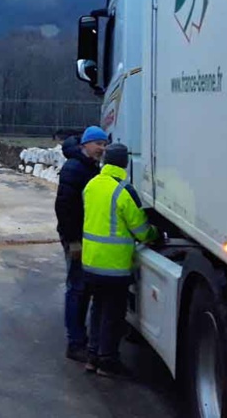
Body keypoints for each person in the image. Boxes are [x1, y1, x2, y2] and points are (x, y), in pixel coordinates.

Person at [81, 142, 158, 378]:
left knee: (97, 309)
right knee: (113, 315)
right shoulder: (124, 191)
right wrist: (156, 235)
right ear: (124, 163)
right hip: (113, 266)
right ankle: (108, 361)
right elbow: (141, 229)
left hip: (91, 262)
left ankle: (92, 357)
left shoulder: (91, 185)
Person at [54, 125, 109, 361]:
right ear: (85, 144)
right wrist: (73, 241)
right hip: (76, 239)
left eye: (104, 145)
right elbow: (64, 208)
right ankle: (75, 342)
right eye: (98, 144)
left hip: (86, 237)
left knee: (84, 288)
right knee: (77, 289)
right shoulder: (75, 168)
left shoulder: (88, 166)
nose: (101, 149)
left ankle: (80, 338)